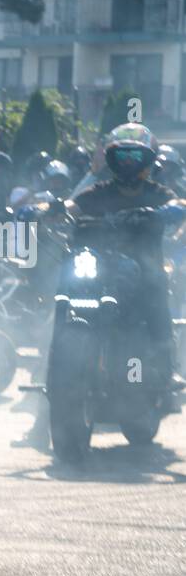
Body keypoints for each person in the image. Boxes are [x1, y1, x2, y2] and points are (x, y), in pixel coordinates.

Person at [68, 123, 183, 390]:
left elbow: (179, 202)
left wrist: (169, 211)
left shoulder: (157, 193)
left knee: (156, 291)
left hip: (144, 266)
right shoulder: (100, 191)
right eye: (122, 156)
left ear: (147, 161)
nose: (128, 163)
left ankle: (167, 365)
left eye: (135, 157)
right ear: (112, 159)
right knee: (67, 291)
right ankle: (58, 367)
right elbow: (72, 205)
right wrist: (47, 209)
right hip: (101, 263)